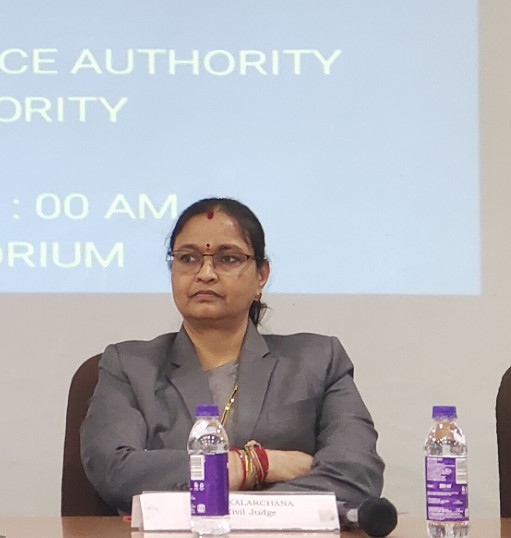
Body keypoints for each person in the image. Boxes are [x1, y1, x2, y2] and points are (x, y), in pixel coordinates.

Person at [80, 197, 384, 513]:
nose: (205, 273)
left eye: (227, 259)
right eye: (188, 258)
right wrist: (254, 464)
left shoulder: (318, 361)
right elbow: (114, 469)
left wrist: (245, 511)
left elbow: (357, 474)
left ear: (261, 275)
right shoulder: (130, 367)